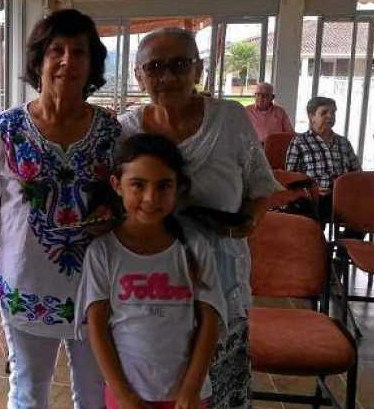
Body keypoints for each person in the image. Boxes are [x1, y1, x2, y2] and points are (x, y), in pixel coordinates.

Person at [0, 9, 122, 409]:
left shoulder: (113, 132)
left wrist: (114, 214)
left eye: (79, 52)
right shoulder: (7, 129)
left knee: (94, 397)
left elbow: (130, 200)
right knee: (28, 393)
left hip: (95, 291)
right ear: (38, 61)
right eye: (56, 50)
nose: (67, 61)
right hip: (26, 289)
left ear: (92, 64)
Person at [118, 28, 279, 409]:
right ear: (138, 76)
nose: (168, 76)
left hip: (220, 278)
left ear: (199, 69)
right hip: (150, 290)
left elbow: (261, 187)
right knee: (156, 392)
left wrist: (246, 225)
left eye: (180, 64)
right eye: (155, 66)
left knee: (220, 393)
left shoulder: (230, 119)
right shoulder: (126, 129)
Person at [77, 133, 226, 409]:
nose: (150, 198)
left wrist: (191, 391)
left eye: (163, 186)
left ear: (178, 188)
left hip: (186, 397)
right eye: (138, 185)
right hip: (127, 395)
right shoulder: (103, 252)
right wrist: (124, 395)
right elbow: (96, 327)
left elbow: (209, 322)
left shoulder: (194, 247)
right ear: (117, 185)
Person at [285, 96, 361, 230]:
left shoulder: (343, 142)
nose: (330, 116)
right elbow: (291, 178)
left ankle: (344, 249)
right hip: (314, 197)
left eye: (333, 112)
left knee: (365, 212)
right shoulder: (300, 142)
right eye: (324, 112)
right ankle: (317, 247)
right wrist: (311, 190)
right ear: (311, 116)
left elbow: (357, 172)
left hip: (342, 196)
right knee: (307, 212)